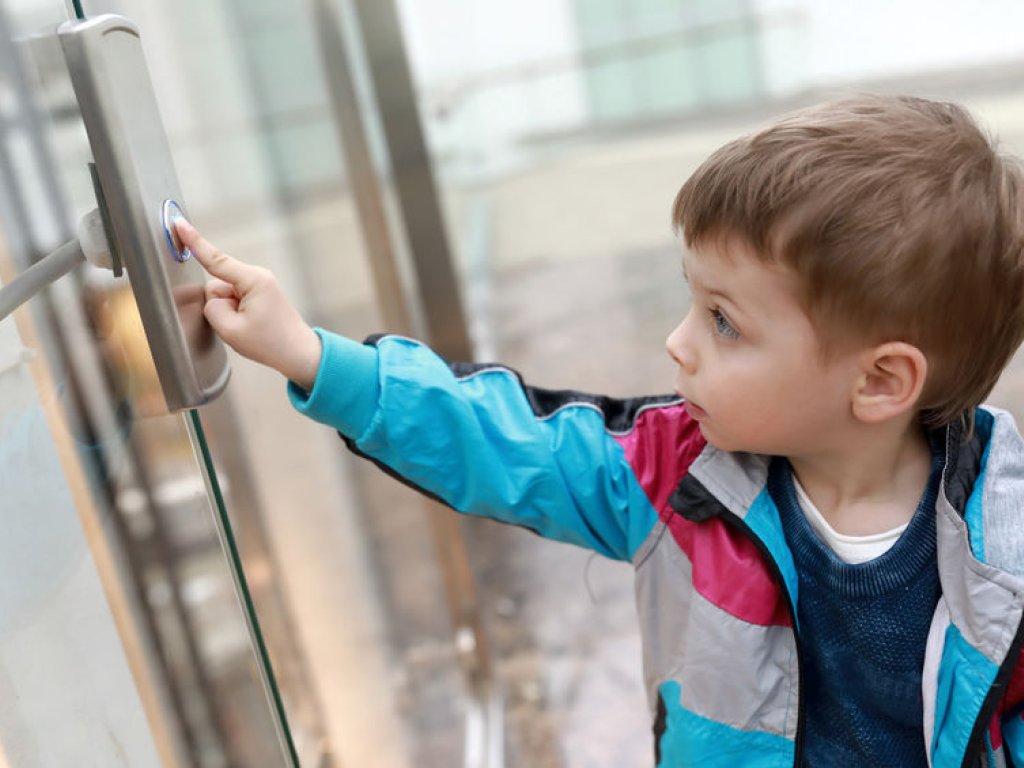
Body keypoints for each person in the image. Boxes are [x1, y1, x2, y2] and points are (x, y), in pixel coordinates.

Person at [174, 94, 1024, 767]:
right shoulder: (672, 479)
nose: (677, 344)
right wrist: (311, 357)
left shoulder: (1008, 548)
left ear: (879, 382)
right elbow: (504, 441)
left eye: (724, 322)